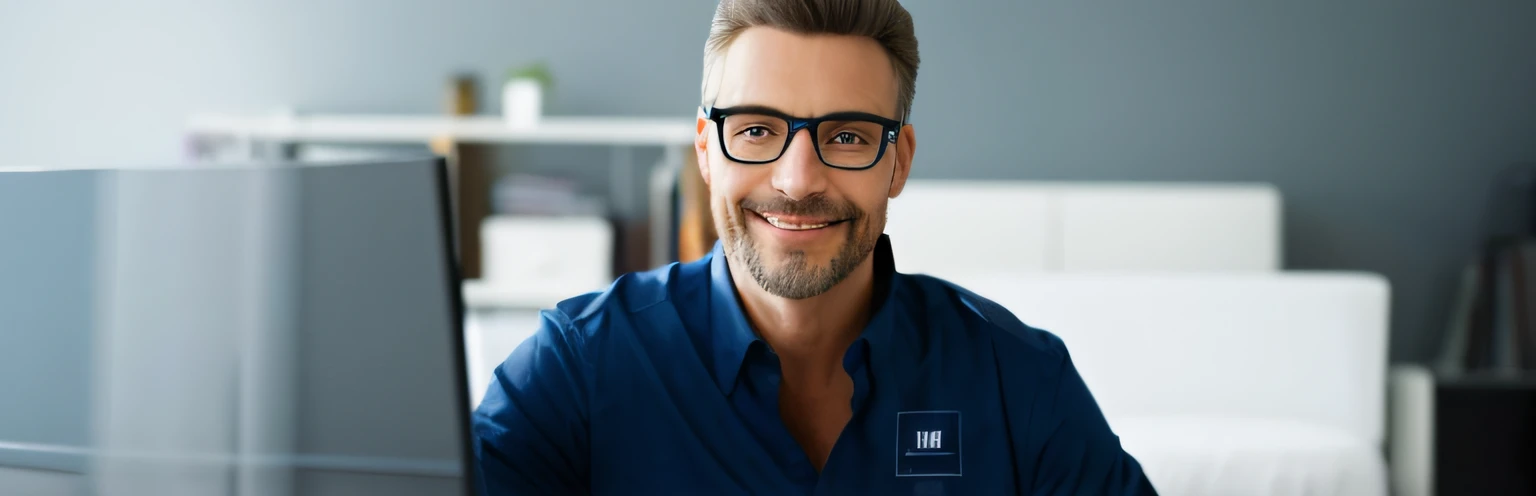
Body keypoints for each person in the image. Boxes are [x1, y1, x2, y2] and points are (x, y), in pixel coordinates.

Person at [473, 0, 1158, 493]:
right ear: (707, 150)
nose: (798, 182)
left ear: (899, 162)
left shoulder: (1019, 383)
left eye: (848, 136)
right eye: (757, 129)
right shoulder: (579, 367)